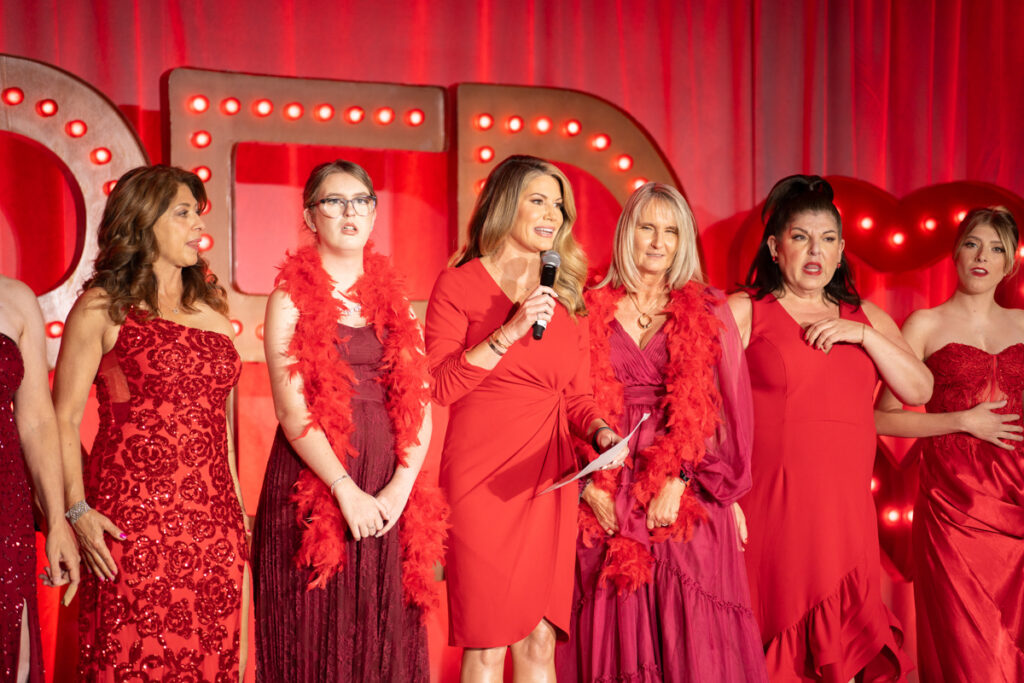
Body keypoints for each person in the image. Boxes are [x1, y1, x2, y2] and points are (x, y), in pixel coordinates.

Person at [555, 182, 768, 682]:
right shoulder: (586, 307)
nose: (657, 242)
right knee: (612, 620)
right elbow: (562, 404)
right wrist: (587, 488)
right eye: (647, 228)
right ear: (627, 233)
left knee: (690, 632)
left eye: (671, 231)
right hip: (607, 485)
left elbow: (722, 412)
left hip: (685, 487)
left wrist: (682, 480)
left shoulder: (709, 311)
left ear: (683, 241)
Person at [425, 154, 624, 682]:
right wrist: (508, 333)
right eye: (538, 199)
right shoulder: (458, 284)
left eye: (558, 205)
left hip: (548, 476)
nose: (552, 214)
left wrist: (602, 432)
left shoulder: (568, 296)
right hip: (482, 480)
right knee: (488, 641)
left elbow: (577, 397)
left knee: (540, 638)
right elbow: (440, 385)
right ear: (505, 203)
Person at [727, 174, 932, 681]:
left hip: (844, 516)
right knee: (767, 648)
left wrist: (861, 334)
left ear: (841, 251)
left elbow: (919, 390)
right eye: (800, 237)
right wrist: (720, 493)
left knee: (838, 656)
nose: (814, 250)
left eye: (827, 239)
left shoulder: (866, 319)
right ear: (775, 249)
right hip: (771, 508)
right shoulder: (745, 310)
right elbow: (698, 402)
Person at [251, 160, 446, 682]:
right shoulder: (287, 300)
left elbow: (418, 401)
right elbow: (293, 412)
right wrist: (345, 490)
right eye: (333, 202)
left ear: (374, 213)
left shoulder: (396, 303)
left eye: (360, 200)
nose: (349, 212)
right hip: (318, 485)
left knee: (384, 638)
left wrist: (399, 491)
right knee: (315, 636)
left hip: (387, 485)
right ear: (311, 216)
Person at [52, 165, 248, 680]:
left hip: (214, 533)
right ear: (142, 221)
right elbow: (62, 420)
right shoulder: (102, 308)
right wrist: (76, 510)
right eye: (183, 212)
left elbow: (219, 430)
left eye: (197, 213)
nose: (197, 225)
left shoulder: (213, 313)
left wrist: (239, 517)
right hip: (131, 528)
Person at [875, 207, 1024, 681]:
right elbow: (881, 417)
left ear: (1010, 265)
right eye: (972, 244)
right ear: (956, 253)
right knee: (971, 658)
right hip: (953, 511)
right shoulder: (924, 324)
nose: (983, 256)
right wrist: (961, 420)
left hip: (1020, 505)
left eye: (996, 248)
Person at [0, 276, 79, 683]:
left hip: (5, 507)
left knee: (17, 658)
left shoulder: (14, 298)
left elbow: (37, 422)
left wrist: (57, 520)